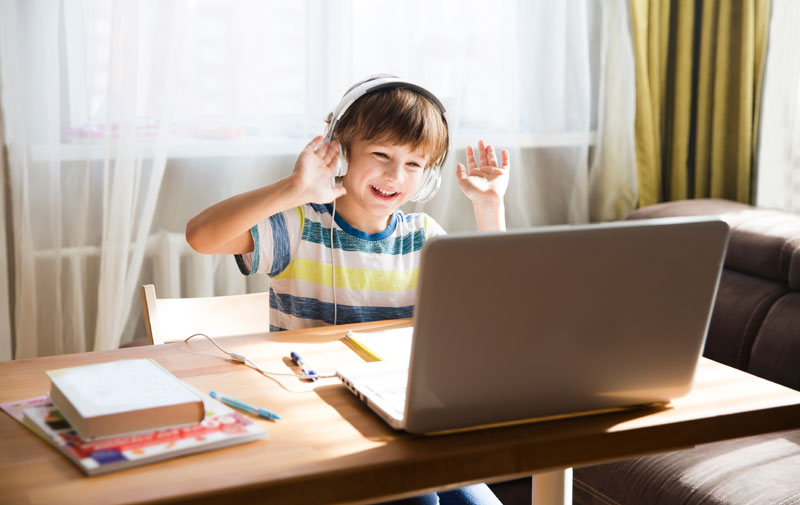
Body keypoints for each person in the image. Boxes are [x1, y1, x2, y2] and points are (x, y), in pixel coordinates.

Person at [185, 76, 509, 504]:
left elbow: (498, 302)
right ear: (341, 152)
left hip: (400, 412)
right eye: (381, 155)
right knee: (420, 499)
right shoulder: (300, 227)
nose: (396, 175)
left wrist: (489, 208)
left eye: (414, 164)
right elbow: (201, 236)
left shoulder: (423, 236)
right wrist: (293, 189)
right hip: (319, 420)